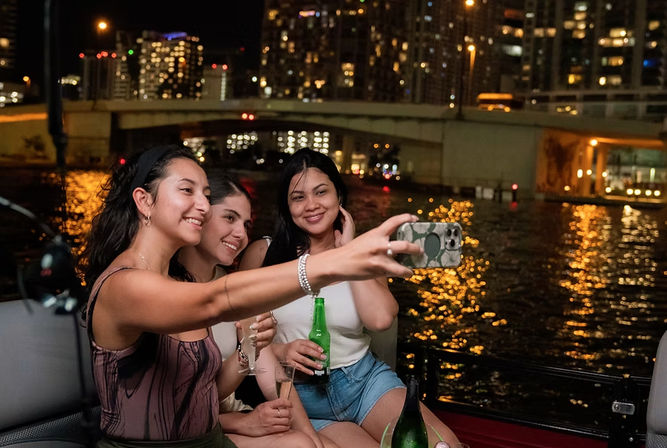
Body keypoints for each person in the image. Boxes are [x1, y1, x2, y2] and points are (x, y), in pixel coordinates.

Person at [81, 144, 419, 447]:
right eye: (188, 191)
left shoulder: (179, 282)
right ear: (144, 200)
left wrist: (250, 352)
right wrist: (337, 261)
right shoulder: (124, 285)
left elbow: (203, 392)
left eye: (205, 194)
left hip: (207, 438)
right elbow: (214, 301)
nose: (202, 205)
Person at [240, 148, 460, 448]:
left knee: (439, 444)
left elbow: (380, 319)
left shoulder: (365, 253)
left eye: (321, 192)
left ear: (339, 196)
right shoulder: (263, 254)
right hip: (299, 393)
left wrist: (351, 251)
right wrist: (280, 351)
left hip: (364, 381)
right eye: (298, 197)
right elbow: (241, 337)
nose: (312, 205)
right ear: (286, 205)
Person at [176, 172, 332, 448]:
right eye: (229, 218)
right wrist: (241, 422)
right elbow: (167, 406)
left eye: (246, 224)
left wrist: (313, 438)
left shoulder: (234, 286)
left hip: (230, 416)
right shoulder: (167, 290)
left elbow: (267, 369)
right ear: (198, 215)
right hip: (197, 428)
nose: (241, 235)